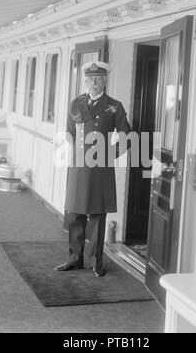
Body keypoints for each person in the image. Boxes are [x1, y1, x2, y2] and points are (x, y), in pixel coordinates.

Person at [56, 61, 132, 277]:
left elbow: (127, 137)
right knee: (75, 214)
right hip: (80, 166)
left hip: (100, 168)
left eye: (98, 79)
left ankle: (96, 262)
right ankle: (74, 259)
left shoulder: (114, 106)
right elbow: (69, 133)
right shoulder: (76, 103)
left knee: (98, 216)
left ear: (105, 81)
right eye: (90, 79)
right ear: (85, 81)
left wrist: (109, 153)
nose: (94, 83)